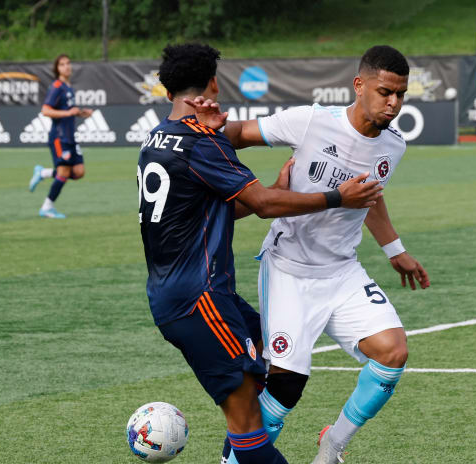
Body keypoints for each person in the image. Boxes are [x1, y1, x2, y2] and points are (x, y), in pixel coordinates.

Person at [139, 43, 383, 464]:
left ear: (167, 91)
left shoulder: (157, 139)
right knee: (248, 423)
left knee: (276, 368)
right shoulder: (202, 144)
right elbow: (264, 204)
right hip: (199, 300)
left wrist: (271, 187)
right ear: (213, 83)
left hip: (192, 295)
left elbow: (215, 212)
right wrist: (336, 197)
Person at [188, 45, 430, 464]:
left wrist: (395, 249)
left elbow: (370, 197)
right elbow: (237, 134)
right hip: (289, 269)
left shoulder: (394, 146)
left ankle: (332, 446)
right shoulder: (312, 121)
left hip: (342, 272)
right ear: (359, 85)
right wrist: (205, 138)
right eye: (384, 91)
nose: (393, 103)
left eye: (401, 94)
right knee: (285, 386)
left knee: (393, 353)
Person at [28, 54, 92, 218]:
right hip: (59, 137)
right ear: (57, 69)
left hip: (70, 137)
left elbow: (69, 110)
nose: (66, 67)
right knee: (63, 172)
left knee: (79, 172)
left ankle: (43, 173)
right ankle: (47, 207)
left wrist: (81, 113)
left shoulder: (68, 87)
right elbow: (45, 110)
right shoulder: (56, 86)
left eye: (68, 63)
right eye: (62, 64)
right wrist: (68, 112)